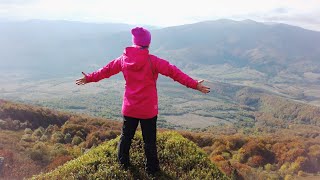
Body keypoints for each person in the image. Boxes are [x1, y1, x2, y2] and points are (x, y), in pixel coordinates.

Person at [76, 27, 210, 175]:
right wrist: (194, 84)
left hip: (130, 108)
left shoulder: (122, 60)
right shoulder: (153, 61)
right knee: (149, 142)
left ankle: (123, 165)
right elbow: (174, 72)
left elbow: (106, 71)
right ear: (148, 44)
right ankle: (152, 170)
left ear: (134, 43)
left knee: (126, 137)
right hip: (148, 109)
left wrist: (89, 78)